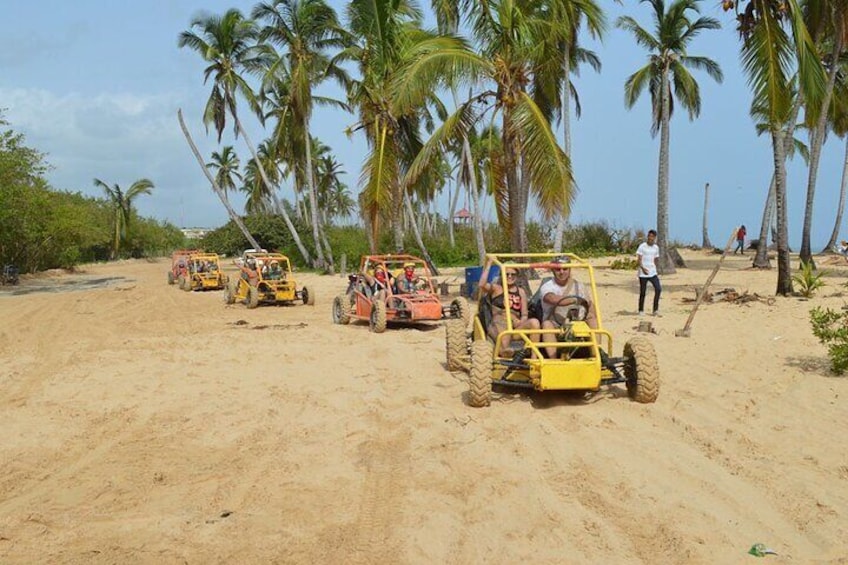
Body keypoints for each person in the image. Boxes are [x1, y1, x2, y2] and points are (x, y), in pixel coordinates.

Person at [540, 256, 597, 359]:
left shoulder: (579, 286)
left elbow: (589, 304)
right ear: (553, 270)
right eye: (558, 269)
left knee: (592, 318)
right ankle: (553, 360)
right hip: (556, 323)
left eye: (565, 269)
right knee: (546, 324)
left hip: (577, 321)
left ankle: (596, 355)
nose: (561, 272)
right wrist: (574, 300)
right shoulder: (547, 286)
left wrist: (592, 315)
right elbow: (551, 298)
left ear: (569, 269)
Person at [478, 262, 540, 354]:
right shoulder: (497, 289)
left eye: (513, 274)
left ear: (517, 276)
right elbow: (482, 285)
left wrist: (521, 321)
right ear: (502, 275)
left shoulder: (521, 292)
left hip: (515, 327)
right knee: (503, 323)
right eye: (506, 274)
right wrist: (489, 264)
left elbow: (524, 314)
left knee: (534, 322)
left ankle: (534, 357)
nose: (509, 276)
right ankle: (504, 351)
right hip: (498, 323)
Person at [636, 229, 662, 317]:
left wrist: (656, 269)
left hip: (653, 272)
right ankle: (641, 310)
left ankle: (655, 310)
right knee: (643, 292)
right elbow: (639, 259)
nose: (650, 238)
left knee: (658, 289)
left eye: (652, 237)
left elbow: (656, 259)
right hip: (643, 273)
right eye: (649, 236)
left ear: (655, 238)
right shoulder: (642, 246)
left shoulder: (656, 248)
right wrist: (642, 268)